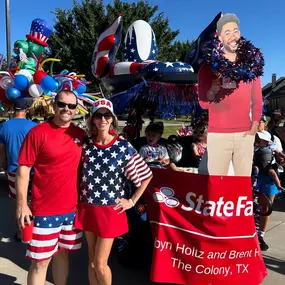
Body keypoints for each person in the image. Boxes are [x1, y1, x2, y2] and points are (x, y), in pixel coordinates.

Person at [74, 99, 152, 285]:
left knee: (101, 264)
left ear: (112, 119)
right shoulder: (86, 146)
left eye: (107, 115)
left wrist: (131, 201)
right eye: (99, 115)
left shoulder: (123, 147)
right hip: (87, 208)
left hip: (110, 211)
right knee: (92, 261)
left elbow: (146, 176)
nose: (103, 119)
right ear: (92, 119)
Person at [16, 90, 86, 285]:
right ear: (54, 106)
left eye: (71, 106)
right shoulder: (37, 133)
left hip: (71, 211)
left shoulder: (80, 135)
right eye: (62, 104)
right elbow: (23, 170)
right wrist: (22, 205)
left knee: (63, 256)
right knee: (40, 262)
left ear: (76, 109)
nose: (66, 109)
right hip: (44, 211)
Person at [198, 13, 262, 176]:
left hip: (244, 134)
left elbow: (257, 100)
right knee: (217, 180)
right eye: (227, 32)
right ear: (219, 37)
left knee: (242, 180)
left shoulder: (251, 67)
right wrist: (212, 90)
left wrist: (254, 124)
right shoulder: (207, 68)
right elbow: (203, 104)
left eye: (235, 31)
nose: (233, 36)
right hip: (218, 133)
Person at [0, 98, 37, 240]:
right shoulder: (33, 126)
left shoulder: (4, 126)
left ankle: (22, 233)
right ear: (26, 110)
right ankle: (35, 230)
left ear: (13, 110)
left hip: (13, 170)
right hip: (32, 170)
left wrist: (2, 164)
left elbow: (1, 151)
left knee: (17, 201)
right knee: (33, 199)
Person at [253, 130, 285, 251]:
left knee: (265, 208)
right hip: (253, 175)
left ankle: (260, 236)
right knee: (249, 206)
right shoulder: (248, 138)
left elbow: (280, 153)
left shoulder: (273, 139)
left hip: (268, 177)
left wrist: (282, 161)